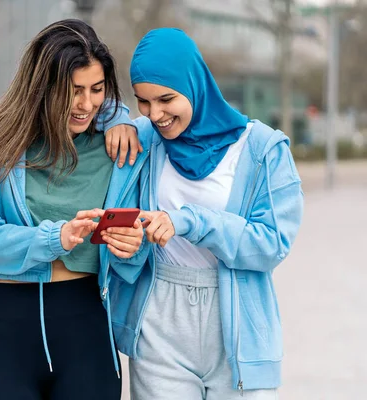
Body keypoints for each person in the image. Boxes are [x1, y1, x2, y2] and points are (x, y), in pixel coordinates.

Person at [106, 28, 304, 399]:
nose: (155, 115)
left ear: (195, 83)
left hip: (238, 327)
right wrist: (117, 117)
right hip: (160, 325)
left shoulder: (263, 149)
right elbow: (90, 110)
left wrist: (191, 221)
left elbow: (272, 244)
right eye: (143, 102)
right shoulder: (144, 139)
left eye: (166, 99)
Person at [0, 19, 146, 400]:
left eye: (97, 90)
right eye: (73, 91)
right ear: (43, 87)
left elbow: (133, 258)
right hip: (6, 331)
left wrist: (132, 246)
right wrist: (54, 238)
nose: (86, 104)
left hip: (87, 329)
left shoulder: (120, 150)